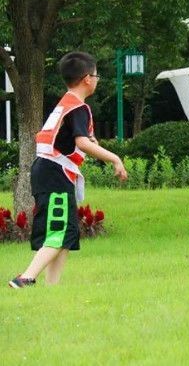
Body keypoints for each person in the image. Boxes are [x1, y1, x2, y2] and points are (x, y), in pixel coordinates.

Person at [8, 52, 128, 289]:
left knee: (66, 232)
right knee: (58, 228)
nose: (97, 79)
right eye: (96, 75)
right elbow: (82, 142)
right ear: (86, 79)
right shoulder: (78, 107)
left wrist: (94, 144)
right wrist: (115, 159)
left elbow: (81, 140)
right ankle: (25, 278)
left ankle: (52, 287)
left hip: (50, 172)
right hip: (54, 173)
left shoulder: (67, 103)